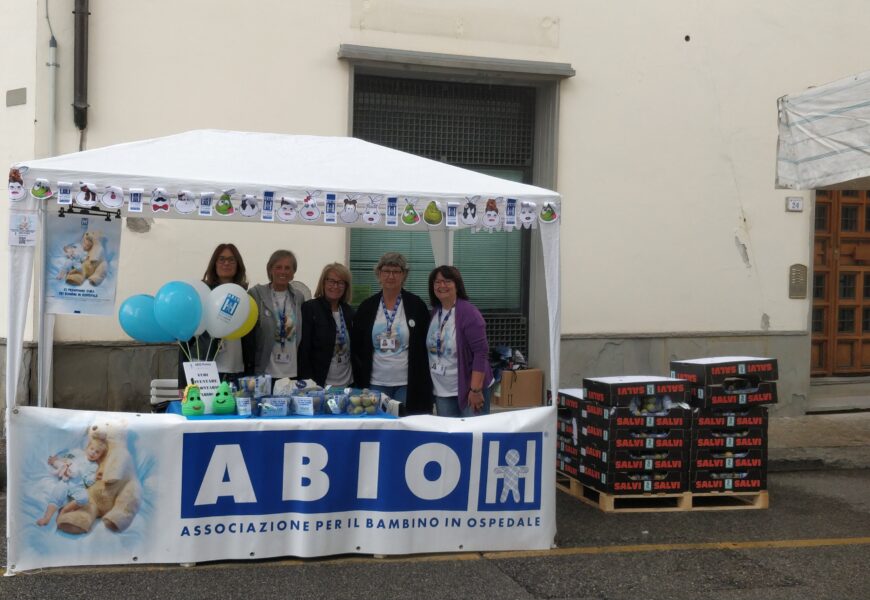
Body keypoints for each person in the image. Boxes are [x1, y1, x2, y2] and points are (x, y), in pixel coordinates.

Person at [351, 252, 432, 414]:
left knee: (403, 425)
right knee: (378, 426)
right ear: (379, 274)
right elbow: (357, 346)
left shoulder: (416, 305)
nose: (391, 276)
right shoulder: (367, 307)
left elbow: (425, 345)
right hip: (375, 382)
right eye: (386, 271)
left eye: (396, 271)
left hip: (406, 383)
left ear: (404, 275)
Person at [177, 243, 249, 387]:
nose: (226, 263)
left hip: (236, 368)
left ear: (238, 265)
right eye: (221, 259)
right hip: (206, 368)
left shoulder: (245, 295)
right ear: (214, 264)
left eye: (231, 259)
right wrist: (182, 382)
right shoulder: (201, 293)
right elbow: (186, 338)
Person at [426, 266, 493, 417]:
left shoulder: (469, 313)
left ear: (457, 285)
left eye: (447, 281)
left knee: (472, 437)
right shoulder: (436, 312)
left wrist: (475, 390)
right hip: (442, 390)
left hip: (469, 389)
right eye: (437, 282)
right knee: (450, 439)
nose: (442, 285)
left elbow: (481, 353)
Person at [244, 249, 307, 379]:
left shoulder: (298, 298)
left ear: (293, 273)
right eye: (278, 267)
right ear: (270, 270)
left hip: (292, 372)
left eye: (287, 268)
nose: (283, 272)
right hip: (265, 372)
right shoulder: (256, 295)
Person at [298, 263, 355, 387]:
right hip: (320, 385)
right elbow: (304, 350)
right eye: (331, 281)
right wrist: (309, 384)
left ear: (346, 287)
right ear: (323, 283)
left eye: (341, 282)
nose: (335, 286)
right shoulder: (310, 309)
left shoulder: (349, 312)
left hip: (348, 383)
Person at [36, 434, 107, 526]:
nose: (93, 453)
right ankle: (47, 518)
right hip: (66, 480)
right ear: (87, 447)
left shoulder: (94, 466)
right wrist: (56, 460)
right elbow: (66, 459)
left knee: (84, 498)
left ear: (100, 456)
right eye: (92, 449)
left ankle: (64, 510)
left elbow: (88, 481)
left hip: (78, 485)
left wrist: (95, 477)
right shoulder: (78, 453)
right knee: (56, 496)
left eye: (97, 452)